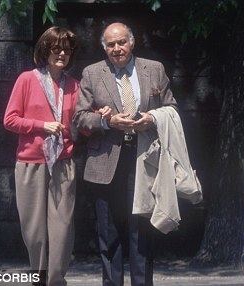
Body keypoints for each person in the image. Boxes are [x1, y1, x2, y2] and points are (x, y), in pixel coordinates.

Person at [73, 22, 177, 286]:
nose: (116, 48)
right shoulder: (92, 73)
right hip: (105, 161)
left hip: (144, 159)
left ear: (132, 42)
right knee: (108, 234)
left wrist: (151, 119)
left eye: (121, 42)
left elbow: (172, 108)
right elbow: (79, 119)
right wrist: (107, 122)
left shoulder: (154, 69)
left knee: (142, 233)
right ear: (104, 47)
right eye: (110, 44)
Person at [3, 26, 79, 286]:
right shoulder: (27, 79)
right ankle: (39, 276)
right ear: (45, 50)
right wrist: (41, 125)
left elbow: (80, 121)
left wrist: (99, 115)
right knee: (34, 230)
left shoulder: (74, 86)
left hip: (62, 163)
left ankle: (56, 280)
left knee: (62, 229)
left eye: (67, 50)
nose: (62, 54)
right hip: (31, 162)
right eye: (56, 49)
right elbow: (10, 120)